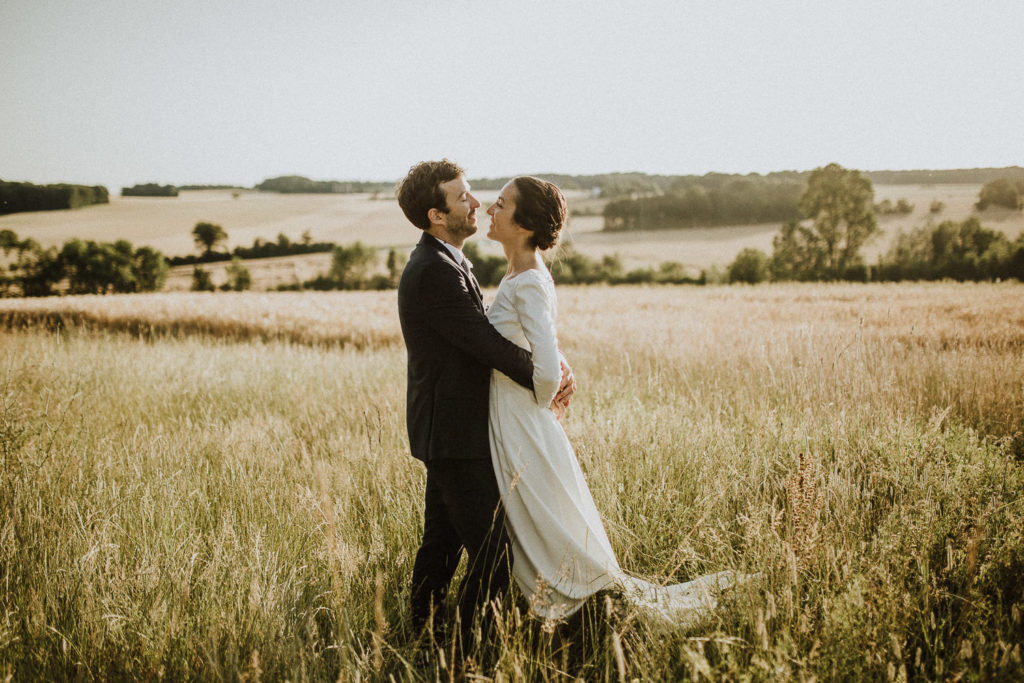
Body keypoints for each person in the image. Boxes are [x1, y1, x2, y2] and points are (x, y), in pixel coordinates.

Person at [484, 176, 749, 625]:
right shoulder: (519, 272)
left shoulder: (527, 278)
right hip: (514, 414)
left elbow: (545, 369)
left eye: (501, 203)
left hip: (521, 419)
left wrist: (542, 403)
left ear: (524, 223)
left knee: (541, 515)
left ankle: (569, 604)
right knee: (538, 513)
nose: (491, 209)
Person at [395, 160, 575, 646]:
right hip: (455, 434)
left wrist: (554, 361)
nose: (475, 203)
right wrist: (551, 372)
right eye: (462, 197)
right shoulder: (433, 270)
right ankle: (463, 650)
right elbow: (486, 344)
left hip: (454, 429)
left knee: (441, 544)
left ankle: (425, 638)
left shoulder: (449, 260)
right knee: (495, 552)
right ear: (437, 215)